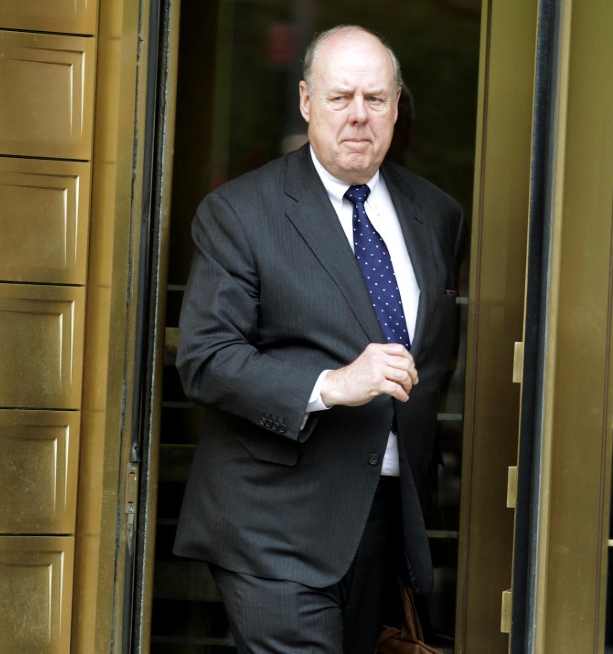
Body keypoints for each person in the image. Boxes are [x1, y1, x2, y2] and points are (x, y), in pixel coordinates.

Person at [173, 24, 463, 653]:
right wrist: (331, 385)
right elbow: (205, 358)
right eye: (340, 98)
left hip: (386, 526)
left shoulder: (436, 214)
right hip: (272, 525)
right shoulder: (240, 212)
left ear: (396, 106)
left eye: (376, 99)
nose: (359, 116)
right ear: (306, 101)